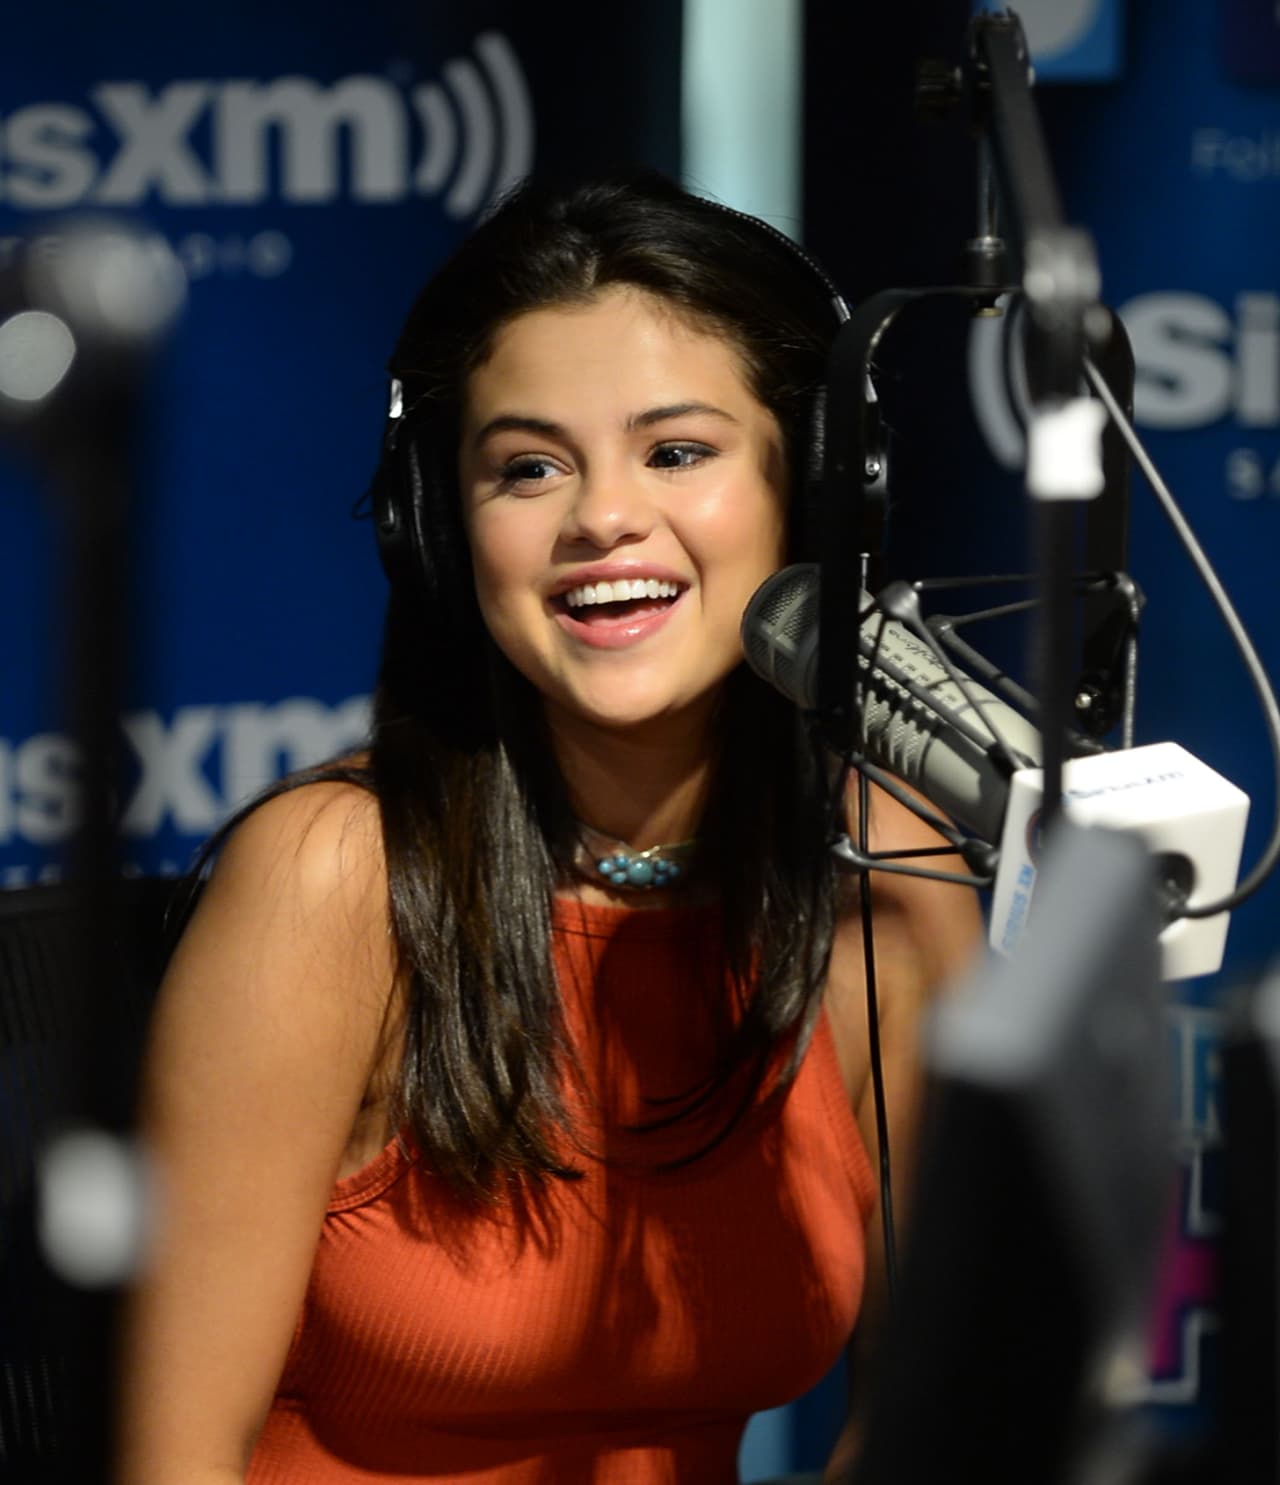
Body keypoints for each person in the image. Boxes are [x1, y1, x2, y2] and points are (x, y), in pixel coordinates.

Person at [116, 170, 981, 1485]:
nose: (601, 519)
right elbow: (174, 1458)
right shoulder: (333, 880)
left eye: (678, 451)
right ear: (440, 524)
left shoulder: (888, 880)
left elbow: (936, 1414)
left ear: (812, 491)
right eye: (529, 466)